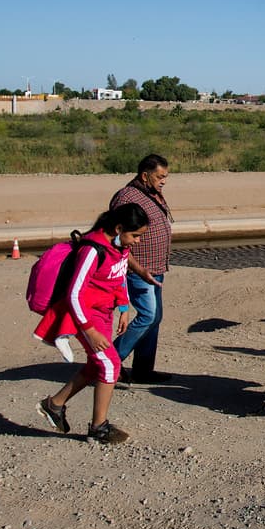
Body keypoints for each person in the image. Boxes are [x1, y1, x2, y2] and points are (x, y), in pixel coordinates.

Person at [36, 203, 149, 444]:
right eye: (135, 235)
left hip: (105, 312)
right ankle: (99, 427)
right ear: (119, 228)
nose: (137, 241)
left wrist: (123, 308)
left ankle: (54, 405)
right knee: (110, 365)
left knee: (96, 365)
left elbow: (118, 277)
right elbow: (73, 294)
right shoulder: (91, 250)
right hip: (86, 316)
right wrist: (89, 331)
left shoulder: (120, 247)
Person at [111, 154, 174, 384]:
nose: (164, 181)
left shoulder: (151, 192)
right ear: (145, 176)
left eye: (165, 176)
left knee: (155, 317)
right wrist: (137, 269)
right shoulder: (126, 197)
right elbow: (117, 238)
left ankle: (143, 370)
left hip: (154, 269)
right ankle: (109, 361)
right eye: (160, 176)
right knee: (148, 316)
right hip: (138, 270)